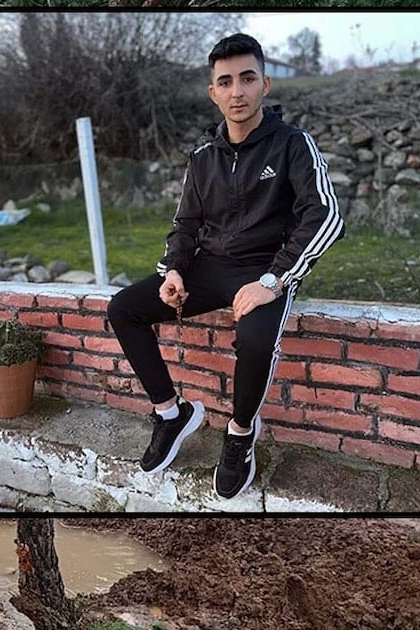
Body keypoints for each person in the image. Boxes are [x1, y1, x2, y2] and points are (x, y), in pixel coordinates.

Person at [105, 33, 344, 500]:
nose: (238, 91)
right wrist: (173, 270)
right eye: (226, 82)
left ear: (265, 85)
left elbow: (326, 215)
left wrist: (275, 281)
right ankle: (172, 414)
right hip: (207, 267)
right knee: (123, 308)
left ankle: (239, 434)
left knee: (254, 338)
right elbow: (185, 225)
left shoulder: (293, 145)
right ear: (213, 92)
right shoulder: (202, 157)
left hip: (263, 269)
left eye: (247, 79)